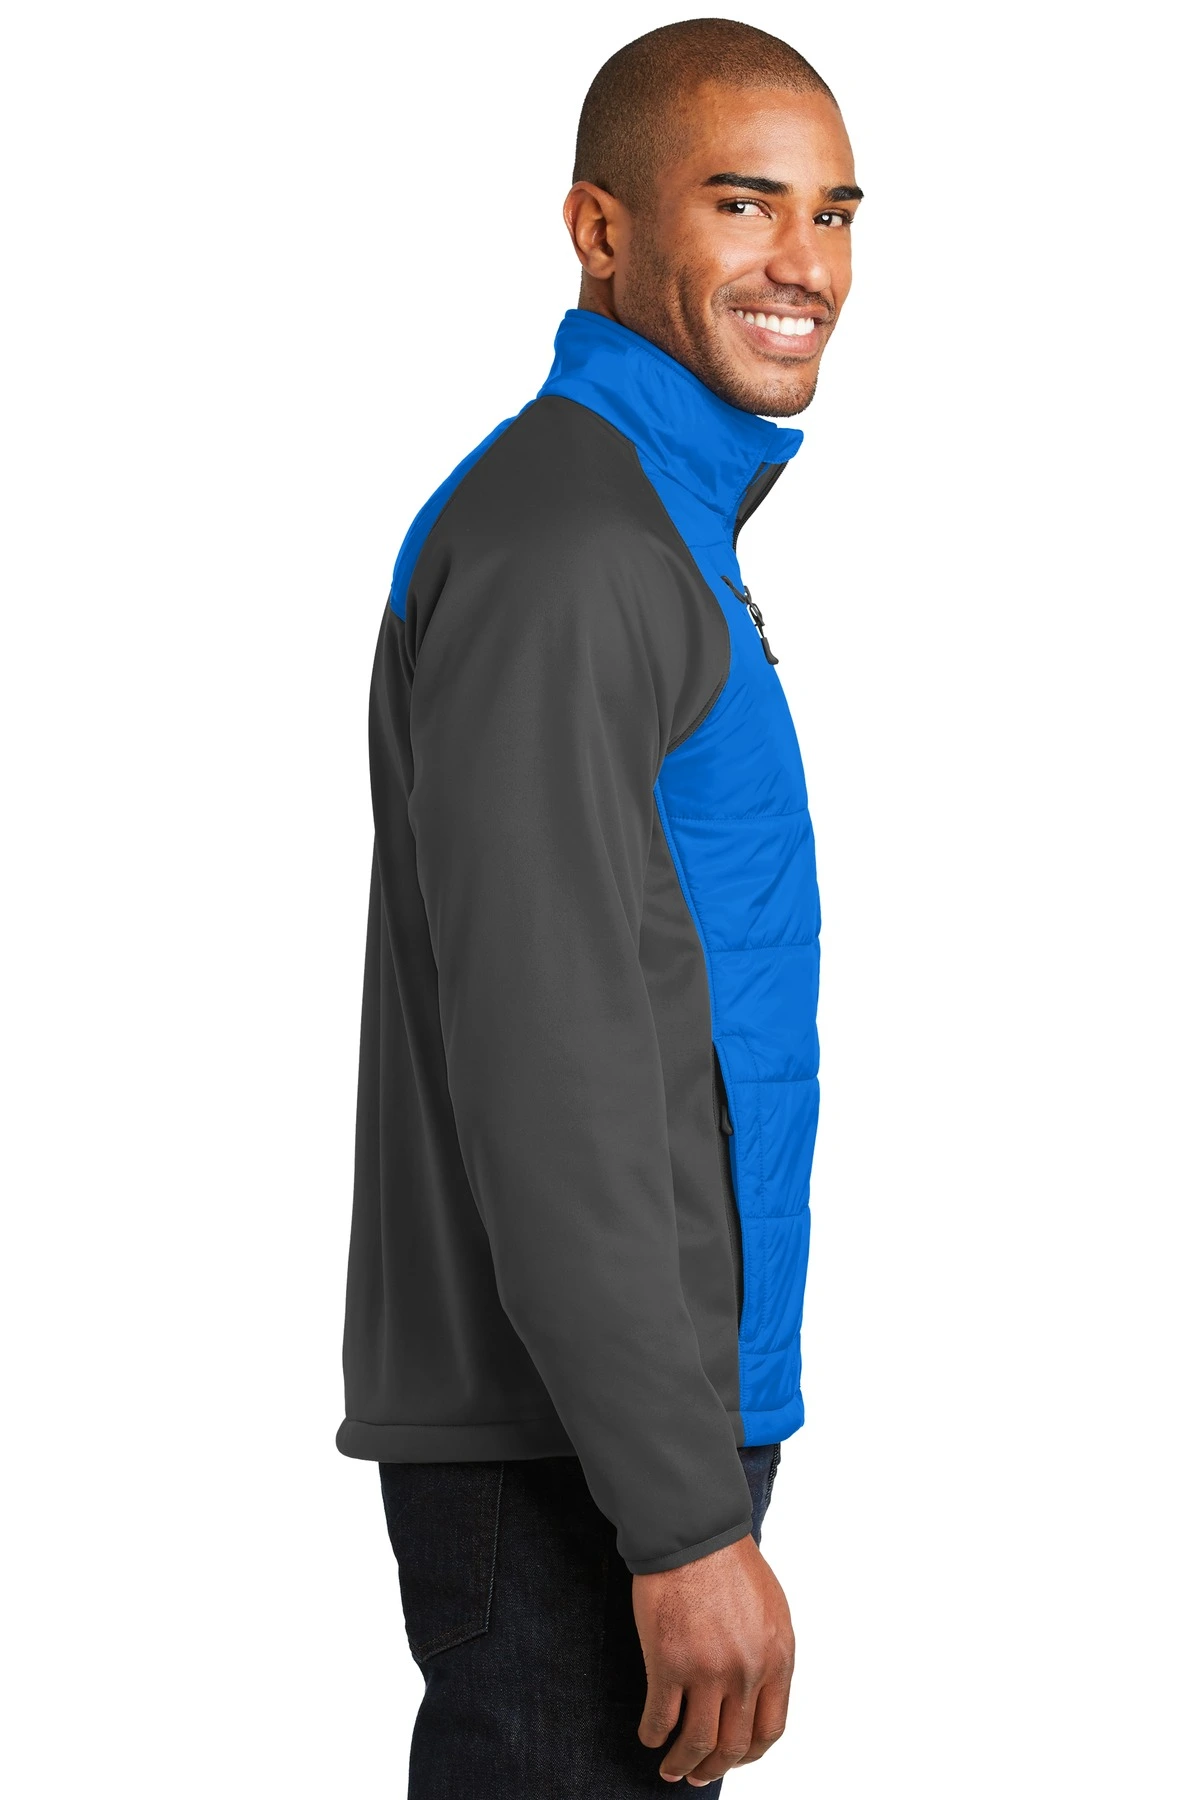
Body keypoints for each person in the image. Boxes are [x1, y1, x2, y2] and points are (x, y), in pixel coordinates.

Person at [337, 18, 862, 1794]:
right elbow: (550, 1062)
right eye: (745, 203)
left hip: (628, 1432)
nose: (804, 264)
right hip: (573, 1454)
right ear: (601, 229)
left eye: (833, 213)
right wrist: (682, 1517)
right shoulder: (574, 546)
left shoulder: (652, 526)